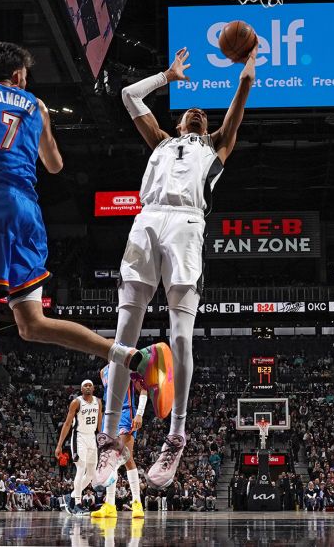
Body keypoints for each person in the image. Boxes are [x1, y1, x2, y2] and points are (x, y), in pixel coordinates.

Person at [0, 42, 173, 494]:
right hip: (29, 211)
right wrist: (39, 126)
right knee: (31, 324)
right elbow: (55, 164)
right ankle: (135, 357)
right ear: (19, 75)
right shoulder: (37, 104)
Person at [95, 47, 256, 490]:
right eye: (191, 113)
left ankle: (176, 437)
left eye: (202, 114)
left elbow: (241, 95)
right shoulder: (162, 141)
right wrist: (166, 75)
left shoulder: (216, 146)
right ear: (179, 123)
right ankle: (110, 437)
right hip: (147, 219)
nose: (197, 113)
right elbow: (129, 95)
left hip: (187, 224)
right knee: (125, 332)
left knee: (180, 336)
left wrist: (250, 64)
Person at [91, 368, 149, 520]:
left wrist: (139, 413)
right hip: (109, 416)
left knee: (126, 457)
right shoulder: (103, 372)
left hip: (125, 413)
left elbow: (143, 389)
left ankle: (137, 502)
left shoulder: (129, 367)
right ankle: (110, 505)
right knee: (111, 458)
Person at [55, 379, 103, 516]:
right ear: (81, 389)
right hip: (79, 437)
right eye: (85, 386)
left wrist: (103, 440)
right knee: (81, 469)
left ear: (93, 389)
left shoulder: (98, 402)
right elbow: (67, 424)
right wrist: (59, 445)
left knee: (91, 474)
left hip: (92, 438)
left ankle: (70, 496)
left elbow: (99, 423)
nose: (88, 387)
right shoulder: (76, 402)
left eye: (90, 385)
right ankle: (77, 504)